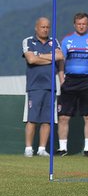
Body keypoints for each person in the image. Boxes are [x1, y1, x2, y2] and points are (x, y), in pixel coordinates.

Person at [56, 12, 88, 156]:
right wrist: (62, 79)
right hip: (69, 80)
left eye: (84, 24)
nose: (81, 26)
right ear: (74, 25)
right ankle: (62, 148)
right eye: (79, 24)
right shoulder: (67, 40)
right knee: (64, 116)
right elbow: (61, 60)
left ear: (87, 25)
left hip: (87, 80)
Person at [22, 17, 63, 157]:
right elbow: (31, 59)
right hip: (34, 86)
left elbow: (60, 56)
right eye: (42, 27)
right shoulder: (28, 41)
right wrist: (50, 57)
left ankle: (42, 148)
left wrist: (40, 56)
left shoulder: (54, 41)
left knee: (47, 120)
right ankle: (28, 148)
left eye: (47, 27)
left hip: (50, 86)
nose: (45, 29)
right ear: (36, 27)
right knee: (32, 118)